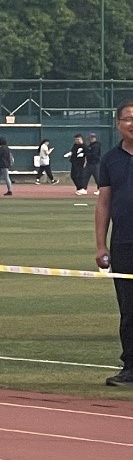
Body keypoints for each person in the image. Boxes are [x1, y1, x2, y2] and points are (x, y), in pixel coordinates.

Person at [96, 101, 133, 386]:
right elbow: (104, 203)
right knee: (128, 309)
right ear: (118, 124)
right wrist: (101, 245)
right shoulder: (110, 160)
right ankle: (130, 367)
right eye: (128, 118)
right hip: (124, 244)